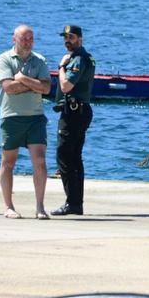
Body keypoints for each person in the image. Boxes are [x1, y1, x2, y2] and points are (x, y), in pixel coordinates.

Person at [0, 25, 51, 220]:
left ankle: (40, 206)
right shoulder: (4, 59)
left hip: (35, 118)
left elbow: (46, 88)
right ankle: (8, 206)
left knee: (40, 162)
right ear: (14, 39)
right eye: (24, 38)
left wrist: (23, 78)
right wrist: (32, 84)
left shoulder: (40, 60)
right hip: (11, 117)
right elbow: (8, 87)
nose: (28, 42)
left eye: (31, 38)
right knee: (8, 162)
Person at [52, 25, 95, 216]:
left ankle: (73, 202)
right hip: (79, 111)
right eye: (65, 37)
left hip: (74, 112)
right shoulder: (84, 57)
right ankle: (76, 202)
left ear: (80, 39)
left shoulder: (77, 59)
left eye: (71, 37)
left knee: (65, 155)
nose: (67, 40)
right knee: (74, 158)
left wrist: (61, 67)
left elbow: (66, 85)